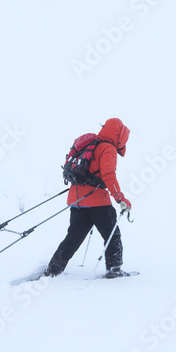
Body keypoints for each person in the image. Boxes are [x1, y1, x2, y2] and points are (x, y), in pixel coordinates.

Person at [44, 118, 131, 278]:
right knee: (112, 234)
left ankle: (53, 269)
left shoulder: (89, 145)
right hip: (97, 201)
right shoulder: (107, 148)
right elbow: (109, 175)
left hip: (76, 200)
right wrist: (121, 199)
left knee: (74, 237)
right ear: (120, 136)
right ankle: (114, 270)